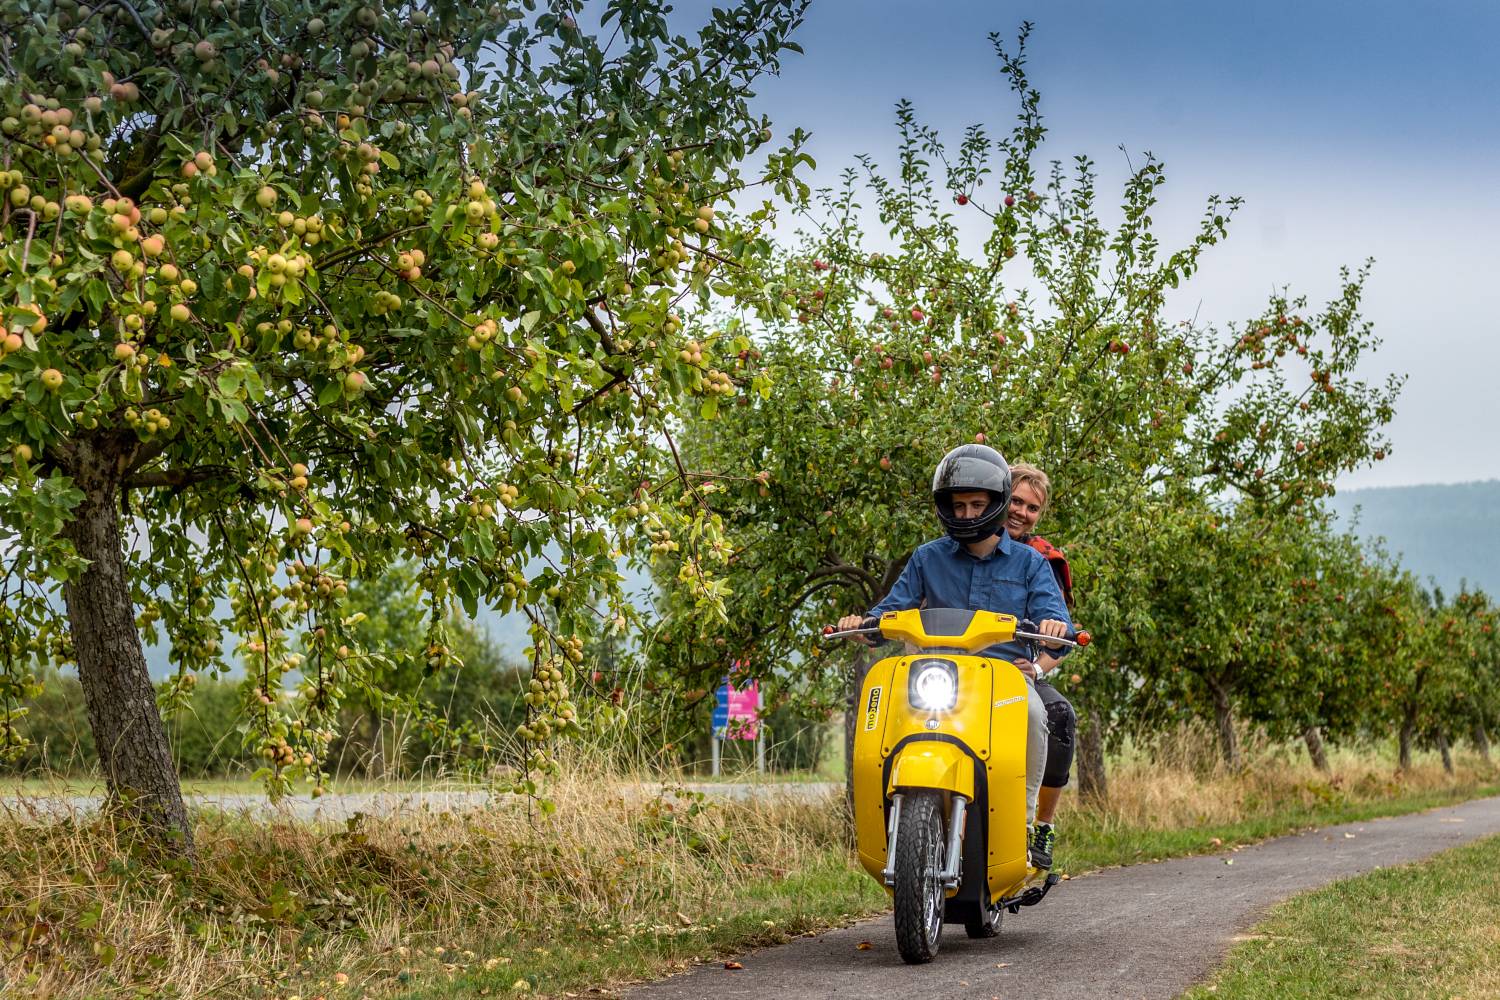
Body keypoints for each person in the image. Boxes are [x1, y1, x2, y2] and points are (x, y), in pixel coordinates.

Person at [838, 444, 1072, 868]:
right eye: (959, 505)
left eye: (977, 505)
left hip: (1003, 679)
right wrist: (862, 625)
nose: (967, 514)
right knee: (881, 713)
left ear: (994, 504)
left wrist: (1054, 628)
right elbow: (891, 609)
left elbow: (1056, 619)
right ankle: (884, 818)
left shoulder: (1029, 563)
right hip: (935, 674)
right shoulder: (927, 557)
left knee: (1037, 715)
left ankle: (1022, 821)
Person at [1003, 462, 1077, 872]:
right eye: (1015, 500)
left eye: (1031, 508)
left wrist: (1038, 667)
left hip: (1015, 670)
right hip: (954, 668)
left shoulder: (1041, 560)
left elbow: (1061, 634)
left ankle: (1041, 825)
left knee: (1060, 715)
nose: (1020, 512)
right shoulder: (957, 547)